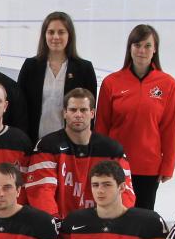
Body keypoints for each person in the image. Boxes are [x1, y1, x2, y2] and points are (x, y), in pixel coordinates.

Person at [96, 24, 175, 211]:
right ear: (130, 48)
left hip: (148, 166)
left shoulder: (167, 84)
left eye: (147, 46)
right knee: (114, 214)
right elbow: (102, 125)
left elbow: (169, 128)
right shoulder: (112, 83)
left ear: (155, 49)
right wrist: (98, 161)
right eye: (137, 45)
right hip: (116, 164)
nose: (142, 50)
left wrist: (168, 165)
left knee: (143, 218)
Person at [25, 88, 135, 220]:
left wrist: (113, 221)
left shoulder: (112, 150)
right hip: (60, 226)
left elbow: (125, 192)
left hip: (100, 225)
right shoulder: (47, 146)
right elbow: (41, 191)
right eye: (72, 110)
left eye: (83, 110)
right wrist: (54, 222)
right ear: (64, 113)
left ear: (92, 113)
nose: (78, 115)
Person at [16, 12, 97, 145]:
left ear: (69, 35)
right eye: (51, 32)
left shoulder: (84, 69)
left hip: (71, 145)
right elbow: (20, 108)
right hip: (35, 143)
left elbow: (89, 112)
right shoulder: (30, 66)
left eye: (61, 32)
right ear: (44, 35)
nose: (55, 37)